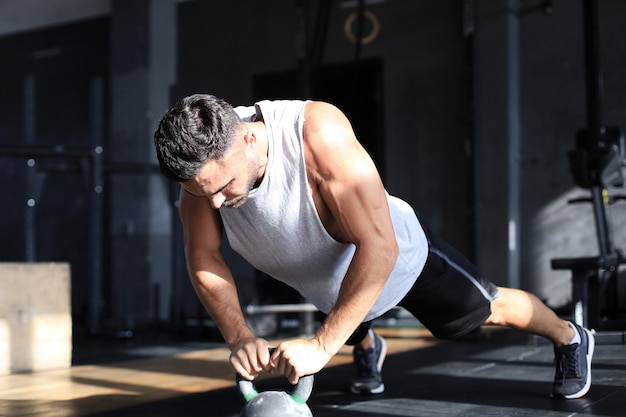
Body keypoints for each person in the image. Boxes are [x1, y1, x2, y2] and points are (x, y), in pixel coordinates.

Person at [153, 94, 594, 400]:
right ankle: (367, 346)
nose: (213, 203)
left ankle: (571, 337)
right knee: (344, 313)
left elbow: (378, 248)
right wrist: (239, 337)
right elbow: (204, 257)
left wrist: (324, 347)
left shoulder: (314, 133)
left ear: (248, 137)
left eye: (223, 186)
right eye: (200, 192)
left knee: (490, 309)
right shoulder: (203, 176)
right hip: (323, 281)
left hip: (397, 259)